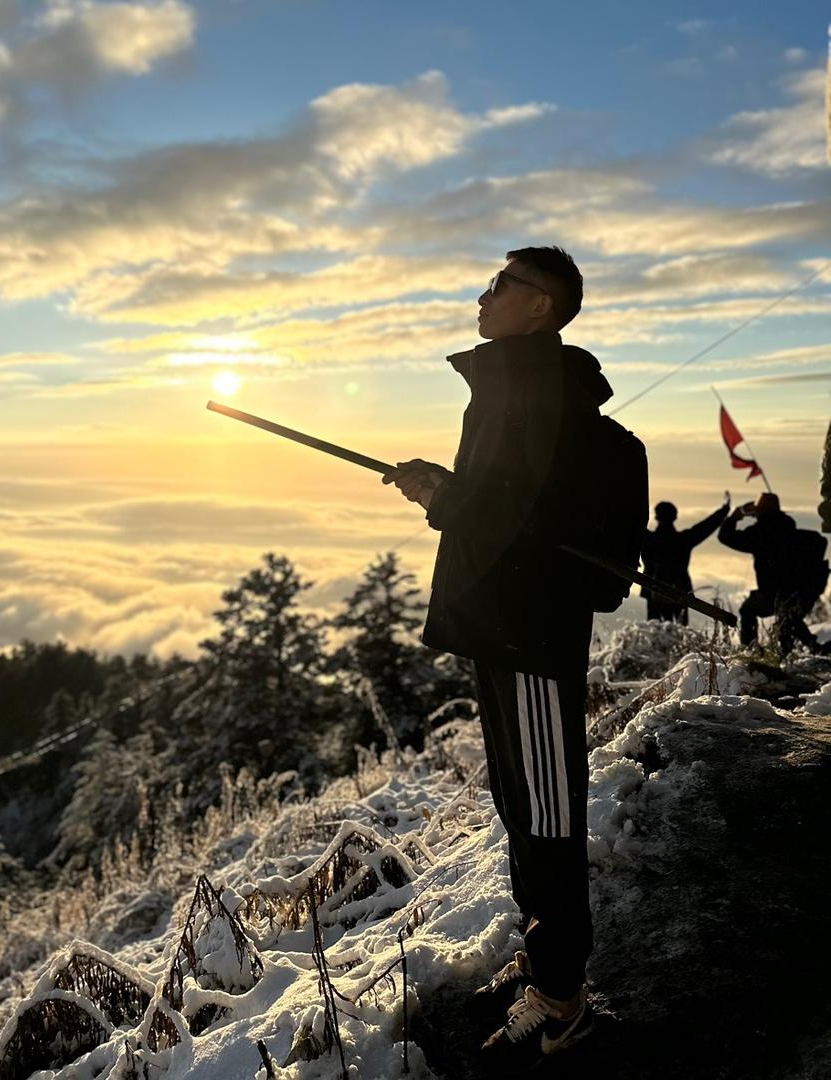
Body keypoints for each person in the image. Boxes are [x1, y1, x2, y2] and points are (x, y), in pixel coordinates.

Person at [383, 246, 635, 1071]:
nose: (483, 296)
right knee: (521, 800)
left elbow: (514, 518)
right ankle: (545, 956)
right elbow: (511, 502)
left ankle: (563, 999)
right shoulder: (516, 389)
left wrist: (440, 495)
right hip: (504, 626)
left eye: (501, 285)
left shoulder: (537, 391)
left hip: (529, 632)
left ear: (541, 307)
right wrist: (446, 488)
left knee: (547, 812)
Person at [718, 492, 829, 655]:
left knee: (749, 611)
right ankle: (810, 651)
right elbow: (821, 543)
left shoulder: (759, 534)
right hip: (800, 593)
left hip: (772, 594)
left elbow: (725, 536)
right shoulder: (796, 534)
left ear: (758, 513)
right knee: (789, 621)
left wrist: (736, 515)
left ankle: (751, 652)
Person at [640, 496, 730, 623]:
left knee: (655, 633)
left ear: (656, 517)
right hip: (680, 592)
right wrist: (723, 511)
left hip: (652, 590)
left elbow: (630, 523)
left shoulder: (647, 539)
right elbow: (705, 527)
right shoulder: (683, 540)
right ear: (675, 517)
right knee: (680, 635)